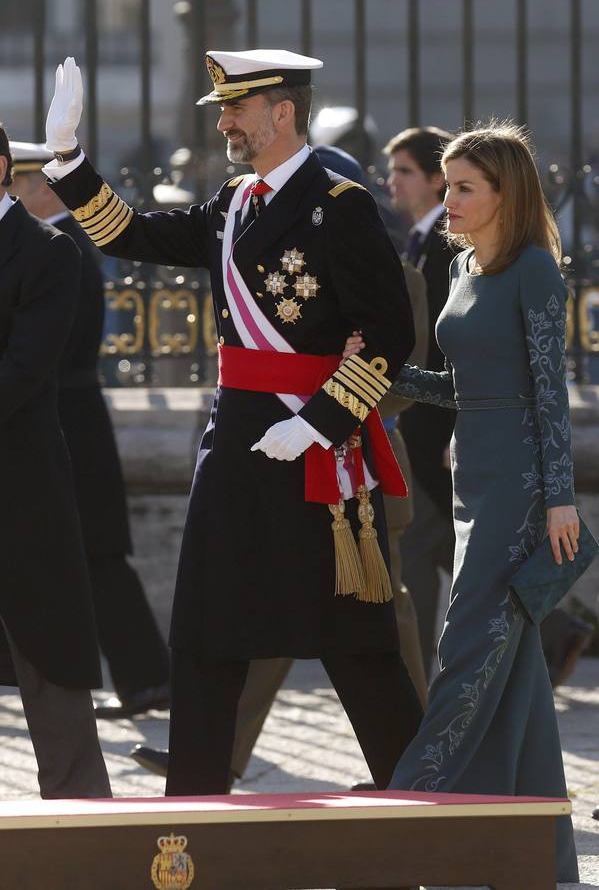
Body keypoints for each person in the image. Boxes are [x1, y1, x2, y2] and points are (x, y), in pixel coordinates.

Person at [43, 53, 423, 797]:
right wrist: (68, 160)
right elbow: (130, 234)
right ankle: (192, 806)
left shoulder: (339, 204)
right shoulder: (233, 201)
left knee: (357, 643)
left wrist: (318, 422)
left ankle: (420, 798)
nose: (223, 123)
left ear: (283, 112)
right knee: (205, 630)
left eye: (235, 109)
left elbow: (387, 334)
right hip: (236, 449)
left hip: (315, 456)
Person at [384, 121, 579, 881]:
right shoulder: (466, 267)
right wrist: (383, 375)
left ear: (506, 193)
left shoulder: (534, 271)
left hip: (520, 495)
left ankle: (402, 819)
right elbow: (462, 387)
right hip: (472, 482)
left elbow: (549, 393)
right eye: (448, 185)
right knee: (516, 675)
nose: (450, 199)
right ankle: (535, 858)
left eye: (465, 187)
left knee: (465, 652)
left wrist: (559, 501)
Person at [9, 141, 171, 720]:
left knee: (96, 556)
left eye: (18, 184)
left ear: (39, 187)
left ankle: (148, 679)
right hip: (66, 416)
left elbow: (52, 349)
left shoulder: (59, 247)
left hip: (67, 420)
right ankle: (145, 679)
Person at [0, 124, 110, 799]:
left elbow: (27, 367)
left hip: (20, 487)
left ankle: (81, 817)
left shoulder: (48, 250)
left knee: (50, 661)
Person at [384, 127, 457, 677]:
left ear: (436, 179)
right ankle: (557, 629)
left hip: (437, 429)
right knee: (443, 547)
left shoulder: (445, 247)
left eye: (404, 171)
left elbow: (445, 347)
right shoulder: (418, 240)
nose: (392, 181)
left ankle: (416, 680)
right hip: (424, 427)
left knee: (423, 548)